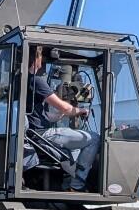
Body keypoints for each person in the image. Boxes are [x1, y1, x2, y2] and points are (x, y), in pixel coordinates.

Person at [26, 47, 99, 191]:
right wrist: (81, 110)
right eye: (40, 57)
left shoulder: (23, 81)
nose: (41, 60)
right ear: (36, 60)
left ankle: (68, 182)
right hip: (43, 134)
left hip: (35, 133)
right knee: (94, 138)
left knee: (76, 150)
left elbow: (45, 115)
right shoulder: (36, 81)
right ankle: (77, 186)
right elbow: (65, 108)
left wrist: (64, 113)